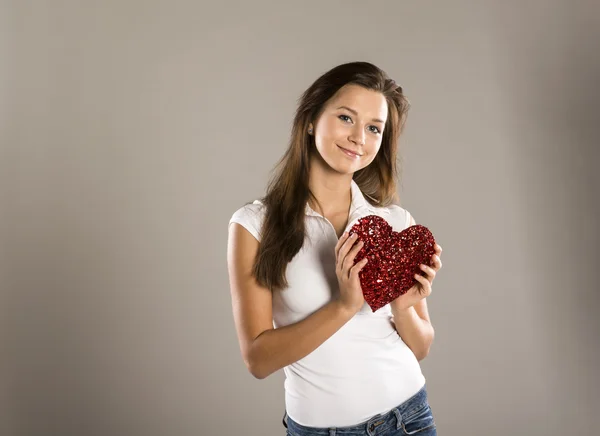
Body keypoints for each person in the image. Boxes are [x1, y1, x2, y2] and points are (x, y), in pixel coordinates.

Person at [227, 61, 443, 435]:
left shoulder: (395, 223)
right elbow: (258, 360)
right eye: (346, 118)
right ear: (311, 118)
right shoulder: (254, 225)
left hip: (409, 419)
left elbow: (421, 347)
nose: (359, 137)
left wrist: (403, 306)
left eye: (374, 128)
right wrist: (344, 306)